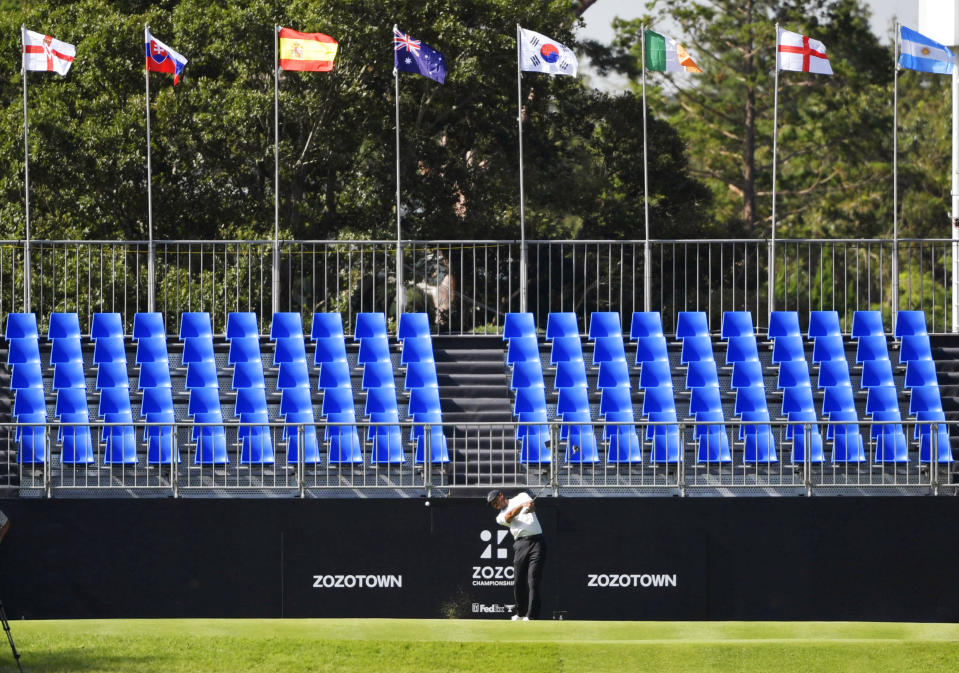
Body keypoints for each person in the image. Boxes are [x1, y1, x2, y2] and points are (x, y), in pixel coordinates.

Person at [487, 489, 546, 621]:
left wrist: (529, 506)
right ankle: (520, 613)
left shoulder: (522, 496)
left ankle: (531, 616)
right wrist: (521, 506)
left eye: (495, 501)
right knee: (519, 581)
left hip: (537, 542)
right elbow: (509, 517)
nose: (495, 505)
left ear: (501, 495)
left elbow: (532, 509)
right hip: (520, 544)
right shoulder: (500, 517)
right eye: (493, 505)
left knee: (533, 581)